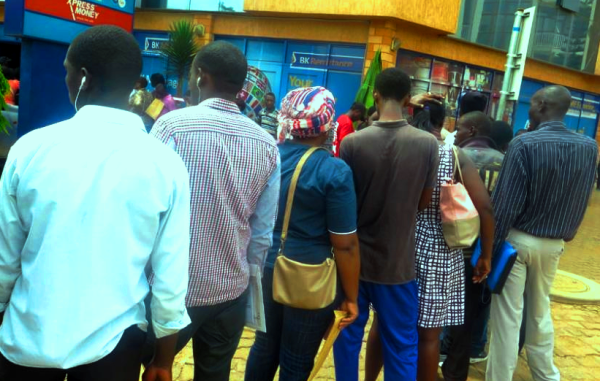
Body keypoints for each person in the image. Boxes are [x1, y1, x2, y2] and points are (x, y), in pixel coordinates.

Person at [0, 25, 191, 381]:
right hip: (115, 349)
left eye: (67, 70)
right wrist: (163, 358)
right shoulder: (165, 165)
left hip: (27, 339)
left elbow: (4, 258)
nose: (66, 78)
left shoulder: (30, 150)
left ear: (83, 78)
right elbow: (170, 276)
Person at [150, 40, 280, 381]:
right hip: (230, 293)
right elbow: (263, 231)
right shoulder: (267, 144)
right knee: (215, 374)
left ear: (200, 77)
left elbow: (149, 208)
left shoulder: (172, 127)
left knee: (152, 368)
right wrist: (247, 281)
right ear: (240, 86)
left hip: (173, 291)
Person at [364, 103, 494, 381]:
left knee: (382, 323)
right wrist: (485, 254)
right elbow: (485, 208)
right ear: (443, 122)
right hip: (440, 253)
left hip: (398, 247)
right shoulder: (453, 155)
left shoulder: (400, 147)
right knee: (429, 336)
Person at [245, 86, 360, 381]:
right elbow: (345, 245)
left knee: (263, 347)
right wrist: (351, 296)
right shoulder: (334, 171)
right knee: (296, 360)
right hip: (308, 275)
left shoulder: (268, 155)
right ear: (327, 123)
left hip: (262, 265)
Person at [333, 68, 439, 381]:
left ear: (375, 95)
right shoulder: (427, 144)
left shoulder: (352, 143)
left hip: (355, 262)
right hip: (399, 265)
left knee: (347, 338)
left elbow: (344, 204)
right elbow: (423, 203)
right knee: (402, 345)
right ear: (409, 100)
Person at [486, 86, 598, 381]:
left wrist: (490, 249)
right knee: (539, 312)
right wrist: (569, 232)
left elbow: (505, 204)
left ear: (542, 105)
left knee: (508, 319)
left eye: (533, 104)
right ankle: (546, 375)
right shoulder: (589, 147)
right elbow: (585, 195)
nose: (530, 110)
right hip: (555, 244)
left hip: (517, 241)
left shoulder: (524, 145)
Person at [437, 111, 505, 380]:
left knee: (438, 309)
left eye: (461, 128)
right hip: (480, 249)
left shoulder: (456, 156)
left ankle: (432, 357)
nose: (456, 132)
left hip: (451, 244)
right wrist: (488, 252)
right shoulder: (505, 161)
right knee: (469, 315)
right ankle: (456, 371)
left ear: (473, 130)